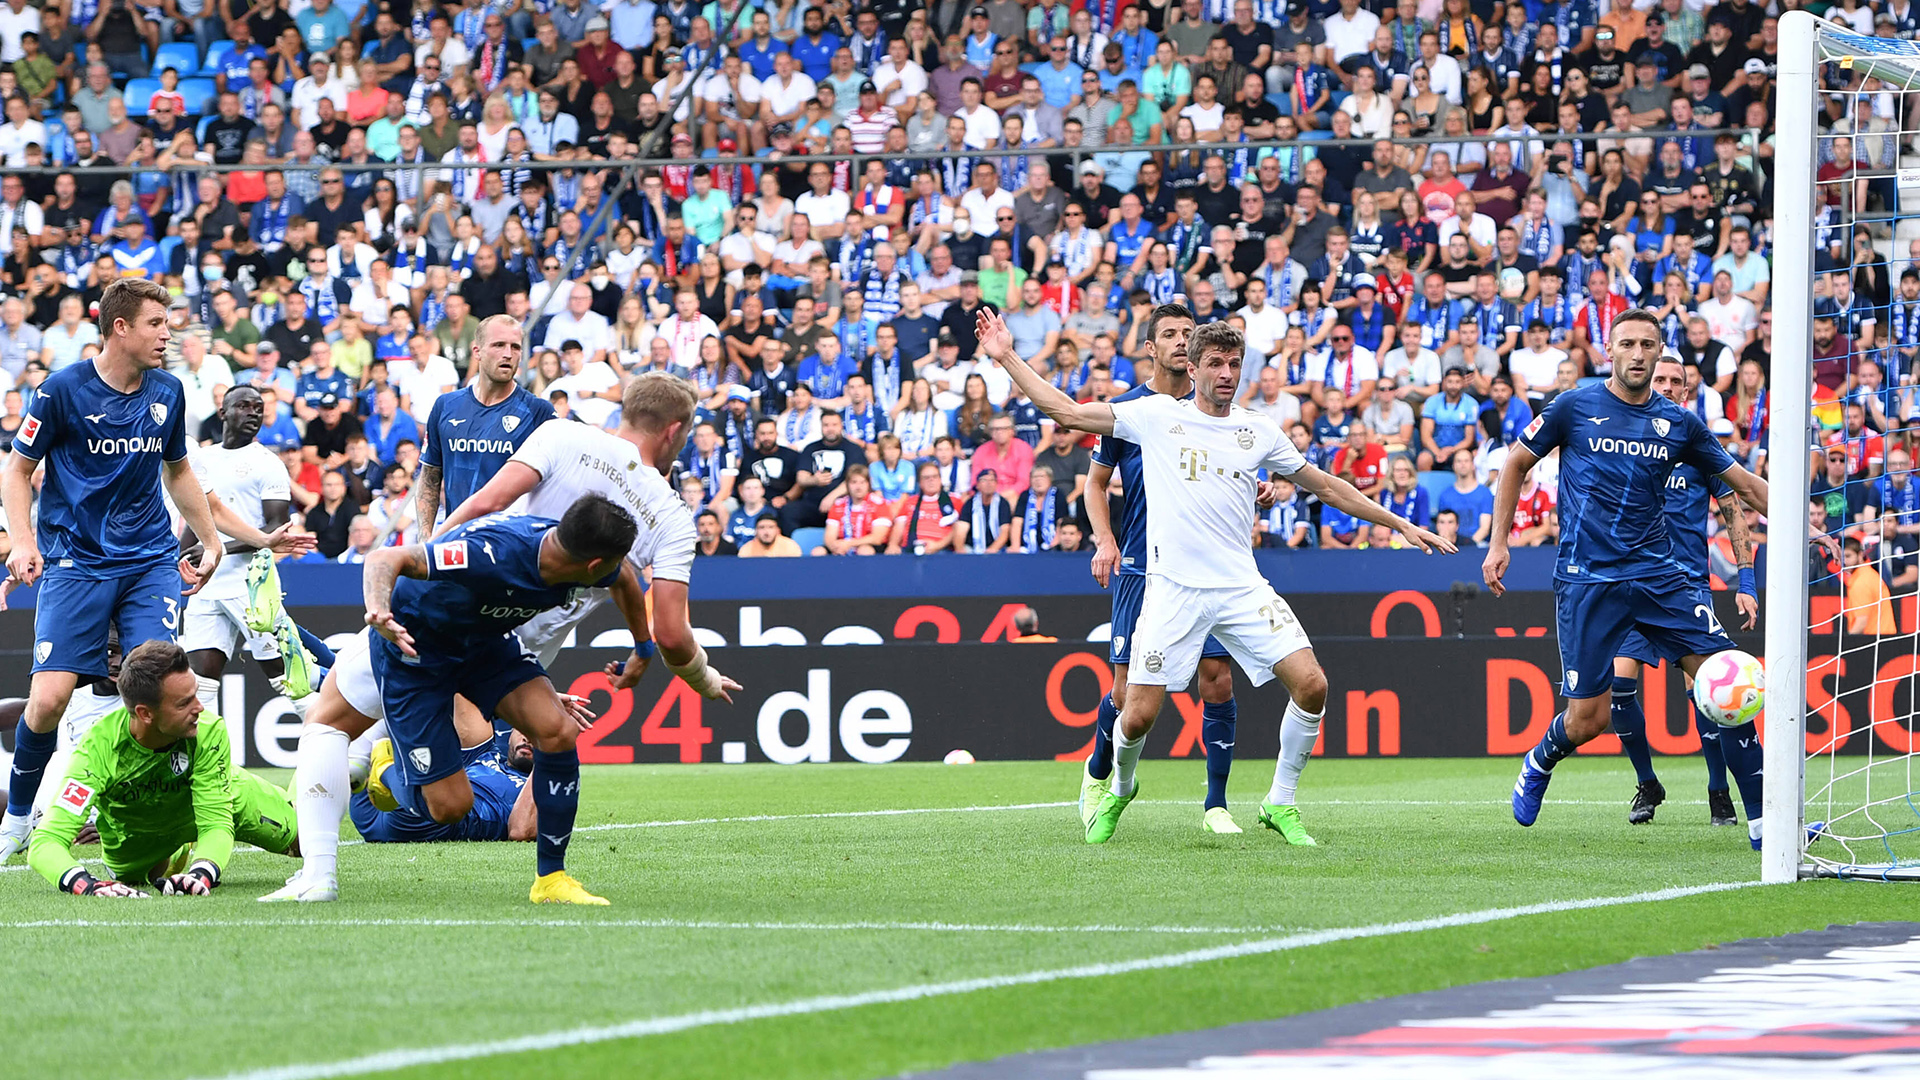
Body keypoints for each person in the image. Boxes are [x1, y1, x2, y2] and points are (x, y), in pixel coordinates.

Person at [976, 308, 1451, 845]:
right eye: (1216, 363)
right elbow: (1062, 410)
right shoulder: (1153, 416)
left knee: (1314, 685)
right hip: (1171, 590)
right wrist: (1007, 356)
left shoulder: (1257, 430)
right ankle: (1122, 786)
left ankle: (1280, 802)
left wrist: (1401, 524)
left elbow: (1327, 486)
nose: (1227, 373)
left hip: (1240, 589)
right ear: (1195, 367)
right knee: (1136, 717)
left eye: (1235, 364)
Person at [267, 376, 739, 904]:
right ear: (676, 430)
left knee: (555, 731)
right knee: (391, 766)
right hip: (426, 636)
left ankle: (551, 878)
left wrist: (642, 645)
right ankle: (342, 832)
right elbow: (397, 554)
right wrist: (399, 592)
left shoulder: (565, 445)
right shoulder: (516, 546)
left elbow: (611, 570)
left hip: (492, 641)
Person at [1484, 308, 1770, 830]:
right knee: (1588, 719)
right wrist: (1497, 543)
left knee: (1729, 680)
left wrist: (1806, 525)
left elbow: (1744, 488)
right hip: (1588, 581)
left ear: (1660, 352)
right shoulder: (1573, 406)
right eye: (1628, 344)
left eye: (1648, 345)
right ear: (1608, 352)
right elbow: (1515, 465)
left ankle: (1762, 826)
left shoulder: (1680, 423)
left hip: (1660, 578)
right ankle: (1540, 760)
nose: (1638, 354)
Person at [0, 278, 224, 861]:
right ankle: (19, 818)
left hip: (149, 557)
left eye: (170, 323)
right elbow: (16, 471)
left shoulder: (169, 391)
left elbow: (177, 472)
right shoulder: (60, 391)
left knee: (161, 686)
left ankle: (165, 812)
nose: (168, 334)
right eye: (157, 324)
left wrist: (208, 537)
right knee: (47, 701)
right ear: (119, 328)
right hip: (75, 562)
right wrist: (22, 542)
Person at [1085, 302, 1248, 833]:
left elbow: (1235, 466)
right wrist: (1105, 539)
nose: (1183, 341)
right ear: (1150, 348)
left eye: (1189, 333)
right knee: (1125, 693)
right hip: (1139, 564)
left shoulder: (1213, 409)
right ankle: (1099, 770)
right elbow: (1093, 484)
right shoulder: (1128, 411)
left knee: (1217, 679)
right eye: (1171, 334)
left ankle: (1216, 805)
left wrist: (1260, 488)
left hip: (1206, 565)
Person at [1608, 350, 1763, 840]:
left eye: (1679, 381)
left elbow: (1734, 510)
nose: (1671, 387)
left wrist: (1747, 580)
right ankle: (1647, 783)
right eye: (1663, 379)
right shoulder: (1625, 437)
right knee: (1619, 689)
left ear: (1688, 390)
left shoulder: (1696, 442)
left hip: (1687, 584)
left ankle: (1720, 789)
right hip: (1634, 583)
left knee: (1709, 692)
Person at [26, 641, 300, 897]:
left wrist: (201, 873)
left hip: (215, 806)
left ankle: (325, 768)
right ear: (145, 714)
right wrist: (87, 886)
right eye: (184, 703)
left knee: (304, 840)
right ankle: (179, 850)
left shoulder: (209, 729)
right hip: (138, 842)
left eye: (194, 695)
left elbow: (216, 822)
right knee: (133, 876)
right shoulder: (98, 749)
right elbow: (45, 843)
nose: (199, 708)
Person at [176, 386, 322, 718]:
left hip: (252, 588)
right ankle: (207, 768)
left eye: (259, 407)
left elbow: (275, 528)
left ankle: (341, 750)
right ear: (223, 413)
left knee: (290, 683)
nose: (254, 412)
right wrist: (183, 556)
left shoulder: (267, 463)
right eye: (244, 406)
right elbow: (196, 516)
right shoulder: (204, 458)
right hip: (207, 588)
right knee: (201, 689)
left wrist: (215, 550)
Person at [414, 315, 555, 534]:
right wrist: (425, 538)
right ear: (477, 351)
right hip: (457, 543)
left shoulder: (538, 412)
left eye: (515, 347)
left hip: (511, 547)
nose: (508, 354)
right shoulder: (446, 405)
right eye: (499, 345)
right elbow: (430, 478)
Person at [351, 699, 537, 844]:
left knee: (430, 763)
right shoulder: (488, 753)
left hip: (424, 819)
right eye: (526, 728)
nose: (529, 738)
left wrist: (551, 753)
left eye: (540, 737)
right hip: (369, 813)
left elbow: (520, 832)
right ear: (512, 729)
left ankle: (385, 769)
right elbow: (463, 698)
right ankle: (382, 770)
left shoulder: (547, 788)